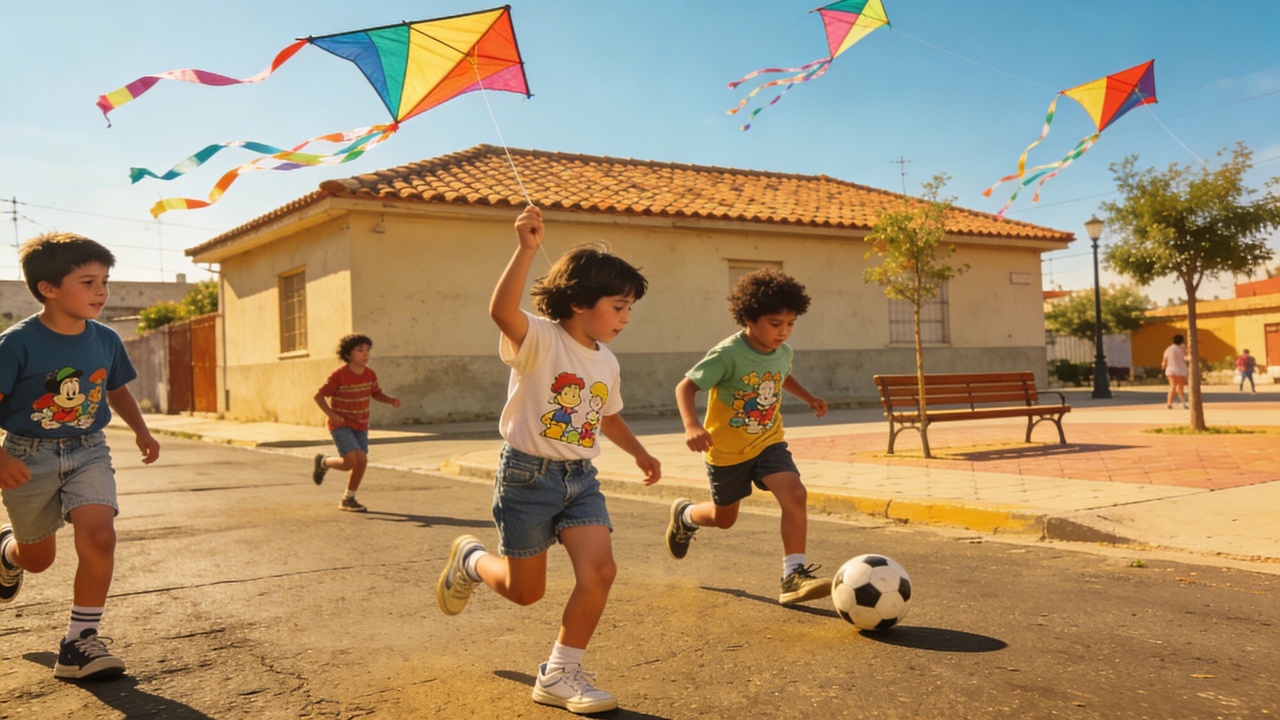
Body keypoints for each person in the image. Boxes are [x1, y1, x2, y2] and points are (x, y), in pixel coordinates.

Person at [436, 206, 660, 715]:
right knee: (525, 593)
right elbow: (501, 311)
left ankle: (560, 673)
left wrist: (641, 453)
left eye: (629, 308)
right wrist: (526, 249)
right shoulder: (539, 338)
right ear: (579, 303)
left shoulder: (606, 360)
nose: (626, 318)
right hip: (527, 478)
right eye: (619, 307)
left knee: (600, 571)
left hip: (580, 480)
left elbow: (606, 415)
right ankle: (472, 561)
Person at [0, 232, 160, 680]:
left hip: (89, 449)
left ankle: (79, 642)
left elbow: (116, 389)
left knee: (100, 537)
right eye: (88, 282)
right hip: (28, 455)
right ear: (48, 288)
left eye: (105, 281)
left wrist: (142, 431)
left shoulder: (105, 339)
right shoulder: (16, 345)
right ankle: (8, 552)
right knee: (38, 560)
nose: (101, 292)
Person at [667, 268, 831, 606]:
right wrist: (692, 426)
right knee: (723, 519)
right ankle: (685, 515)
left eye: (791, 323)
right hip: (726, 451)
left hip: (768, 442)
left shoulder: (783, 351)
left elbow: (781, 375)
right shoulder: (727, 354)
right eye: (775, 323)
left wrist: (808, 397)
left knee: (795, 493)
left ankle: (793, 575)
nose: (783, 331)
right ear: (748, 318)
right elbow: (686, 387)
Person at [312, 333, 400, 512]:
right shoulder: (339, 375)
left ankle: (348, 498)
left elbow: (375, 393)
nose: (365, 354)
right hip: (341, 424)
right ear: (348, 354)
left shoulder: (370, 374)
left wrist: (390, 400)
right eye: (360, 350)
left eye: (367, 350)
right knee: (352, 460)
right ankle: (325, 462)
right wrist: (331, 414)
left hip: (361, 424)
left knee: (360, 462)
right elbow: (319, 396)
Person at [1160, 334, 1190, 409]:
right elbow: (1188, 357)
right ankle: (1184, 403)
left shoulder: (1169, 349)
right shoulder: (1183, 348)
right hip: (1181, 370)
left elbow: (1164, 361)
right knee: (1181, 388)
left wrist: (1164, 366)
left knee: (1172, 387)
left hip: (1171, 370)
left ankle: (1169, 403)